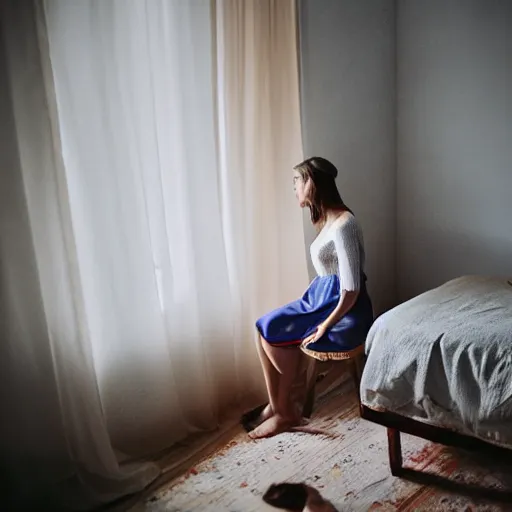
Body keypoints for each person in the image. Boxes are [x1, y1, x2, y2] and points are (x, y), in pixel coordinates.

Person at [246, 157, 374, 439]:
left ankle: (284, 412)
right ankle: (279, 407)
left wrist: (326, 325)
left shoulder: (345, 225)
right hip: (319, 298)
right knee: (262, 326)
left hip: (342, 307)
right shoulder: (328, 221)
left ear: (312, 183)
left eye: (297, 181)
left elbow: (351, 289)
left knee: (273, 332)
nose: (294, 187)